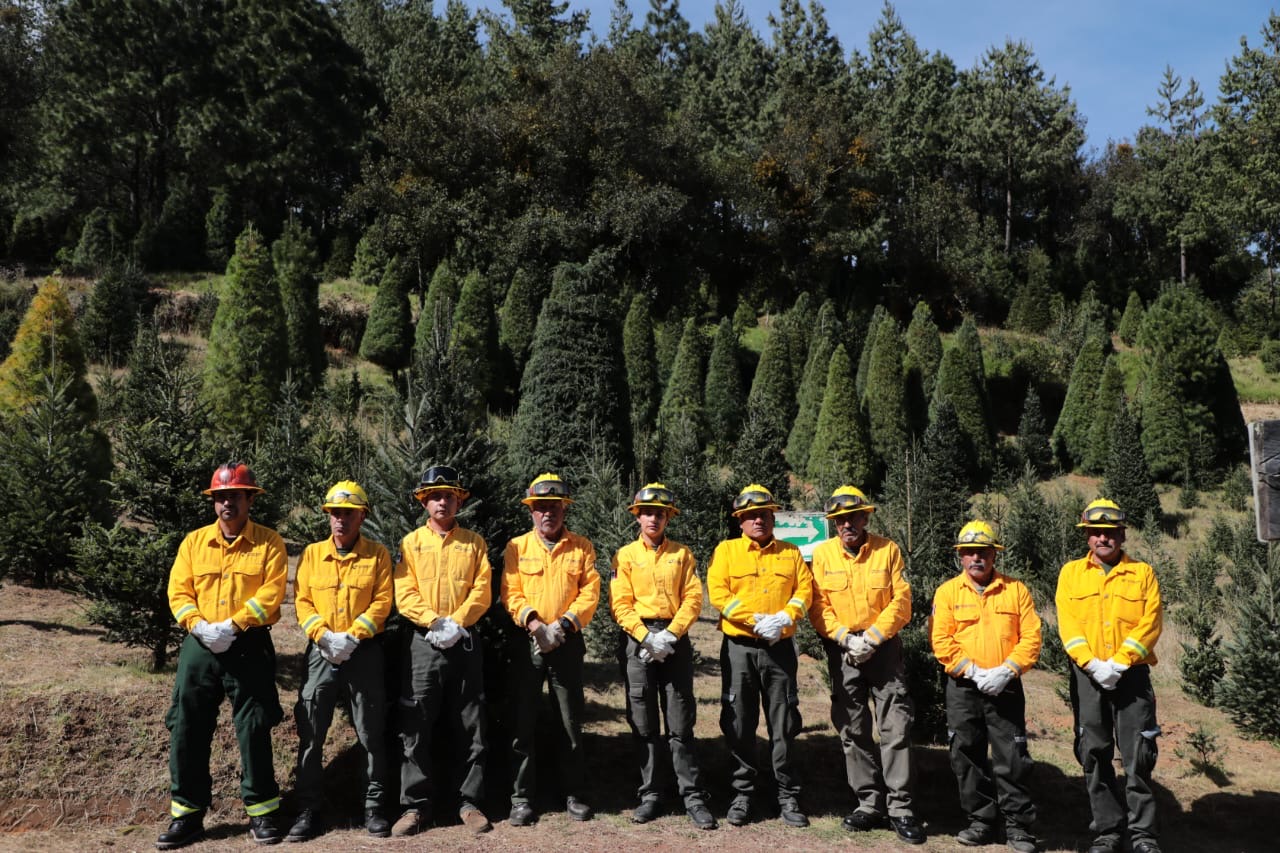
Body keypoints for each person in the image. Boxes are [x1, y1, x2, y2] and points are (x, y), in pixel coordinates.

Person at [157, 463, 288, 849]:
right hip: (199, 645)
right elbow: (178, 592)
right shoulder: (194, 543)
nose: (226, 503)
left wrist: (234, 625)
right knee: (187, 725)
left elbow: (272, 593)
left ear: (250, 498)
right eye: (220, 497)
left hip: (247, 643)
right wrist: (198, 625)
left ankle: (262, 812)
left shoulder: (269, 543)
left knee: (254, 726)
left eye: (234, 495)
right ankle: (187, 816)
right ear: (212, 502)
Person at [808, 485, 925, 845]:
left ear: (865, 518)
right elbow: (818, 605)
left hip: (883, 648)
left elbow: (901, 600)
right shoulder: (823, 555)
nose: (847, 525)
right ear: (834, 524)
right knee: (852, 727)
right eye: (840, 520)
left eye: (854, 518)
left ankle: (901, 808)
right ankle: (868, 803)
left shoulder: (886, 550)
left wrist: (872, 638)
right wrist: (846, 638)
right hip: (843, 649)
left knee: (895, 726)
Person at [287, 481, 394, 841]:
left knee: (370, 734)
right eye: (335, 513)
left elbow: (382, 601)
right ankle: (307, 810)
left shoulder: (377, 554)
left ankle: (374, 808)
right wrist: (322, 634)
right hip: (321, 651)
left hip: (363, 652)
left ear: (362, 515)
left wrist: (355, 635)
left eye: (348, 513)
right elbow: (302, 600)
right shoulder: (312, 554)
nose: (340, 520)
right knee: (311, 733)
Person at [391, 465, 494, 837]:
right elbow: (404, 592)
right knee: (416, 723)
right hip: (424, 644)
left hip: (464, 642)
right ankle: (415, 807)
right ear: (424, 502)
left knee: (472, 722)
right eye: (435, 495)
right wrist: (434, 622)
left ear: (458, 501)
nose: (442, 501)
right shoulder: (410, 543)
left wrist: (459, 623)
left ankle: (470, 803)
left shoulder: (475, 543)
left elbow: (483, 590)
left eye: (449, 495)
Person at [1056, 499, 1163, 853]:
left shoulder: (1143, 573)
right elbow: (1068, 626)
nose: (1103, 538)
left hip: (1131, 675)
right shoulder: (1071, 573)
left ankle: (1143, 834)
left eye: (1110, 532)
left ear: (1122, 535)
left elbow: (1151, 622)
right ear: (1087, 536)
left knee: (1139, 754)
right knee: (1094, 751)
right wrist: (1092, 663)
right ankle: (1107, 830)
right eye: (1095, 532)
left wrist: (1120, 662)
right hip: (1088, 676)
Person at [931, 521, 1042, 853]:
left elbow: (1031, 638)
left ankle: (1018, 828)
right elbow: (941, 640)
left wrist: (1007, 671)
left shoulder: (1016, 590)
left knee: (1012, 757)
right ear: (960, 557)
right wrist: (972, 671)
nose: (976, 558)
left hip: (1005, 686)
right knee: (966, 755)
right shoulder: (947, 592)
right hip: (963, 687)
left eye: (983, 552)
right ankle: (980, 821)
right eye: (969, 553)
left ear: (995, 555)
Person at [610, 483, 716, 831]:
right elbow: (620, 603)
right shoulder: (624, 556)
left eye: (660, 513)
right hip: (638, 640)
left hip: (675, 639)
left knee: (680, 720)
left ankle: (693, 796)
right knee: (643, 721)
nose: (653, 518)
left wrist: (671, 633)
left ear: (668, 517)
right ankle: (650, 794)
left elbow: (693, 597)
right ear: (637, 516)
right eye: (647, 512)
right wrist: (644, 636)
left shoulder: (682, 555)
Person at [707, 483, 813, 828]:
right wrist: (754, 620)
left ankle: (786, 794)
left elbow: (804, 590)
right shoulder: (726, 551)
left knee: (783, 723)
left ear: (773, 518)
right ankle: (743, 793)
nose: (758, 521)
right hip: (740, 647)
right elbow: (718, 592)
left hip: (779, 649)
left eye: (764, 515)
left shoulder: (791, 553)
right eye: (750, 516)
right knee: (740, 721)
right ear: (740, 521)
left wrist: (785, 617)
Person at [501, 472, 601, 826]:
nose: (548, 514)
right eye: (541, 508)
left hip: (566, 641)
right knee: (522, 722)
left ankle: (574, 793)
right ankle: (521, 798)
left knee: (569, 721)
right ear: (531, 512)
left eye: (554, 508)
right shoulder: (516, 547)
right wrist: (534, 624)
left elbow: (591, 592)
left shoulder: (582, 547)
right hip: (527, 639)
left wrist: (563, 624)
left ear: (564, 510)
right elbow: (510, 591)